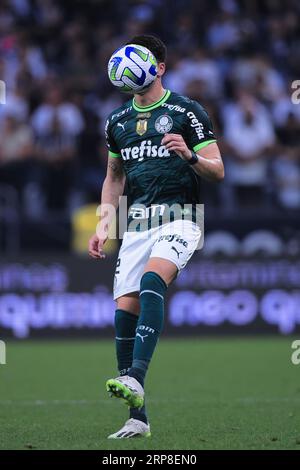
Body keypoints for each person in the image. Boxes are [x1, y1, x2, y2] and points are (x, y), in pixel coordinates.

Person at [88, 35, 224, 439]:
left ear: (159, 67)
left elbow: (218, 170)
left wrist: (190, 155)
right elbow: (114, 177)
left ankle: (136, 378)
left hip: (181, 215)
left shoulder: (187, 111)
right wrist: (103, 225)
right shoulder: (117, 122)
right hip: (137, 224)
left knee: (152, 281)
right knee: (124, 311)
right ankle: (137, 418)